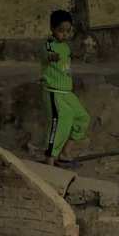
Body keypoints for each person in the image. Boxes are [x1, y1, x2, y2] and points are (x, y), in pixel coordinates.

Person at [40, 10, 90, 168]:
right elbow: (47, 54)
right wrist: (51, 56)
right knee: (60, 122)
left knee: (82, 118)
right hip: (54, 92)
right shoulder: (49, 44)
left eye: (68, 31)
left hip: (67, 91)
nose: (65, 34)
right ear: (52, 29)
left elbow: (68, 59)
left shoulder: (66, 47)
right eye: (61, 31)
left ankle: (66, 153)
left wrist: (84, 50)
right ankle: (50, 160)